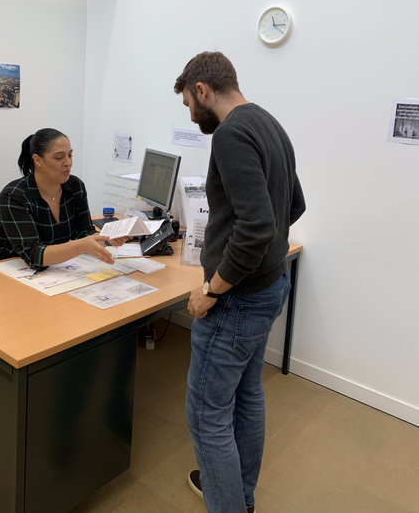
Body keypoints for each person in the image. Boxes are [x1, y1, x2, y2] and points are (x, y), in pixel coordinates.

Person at [174, 52, 306, 513]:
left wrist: (212, 290)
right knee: (247, 394)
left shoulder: (230, 134)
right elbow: (295, 205)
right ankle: (240, 498)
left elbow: (255, 227)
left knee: (207, 415)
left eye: (189, 103)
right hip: (270, 287)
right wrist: (263, 254)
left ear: (202, 90)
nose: (191, 114)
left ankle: (227, 502)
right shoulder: (268, 122)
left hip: (237, 301)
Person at [0, 128, 127, 269]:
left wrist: (106, 239)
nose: (68, 162)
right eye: (59, 157)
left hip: (48, 272)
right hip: (3, 269)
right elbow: (34, 254)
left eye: (70, 155)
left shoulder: (75, 186)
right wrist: (82, 245)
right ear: (38, 160)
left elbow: (83, 232)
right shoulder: (14, 196)